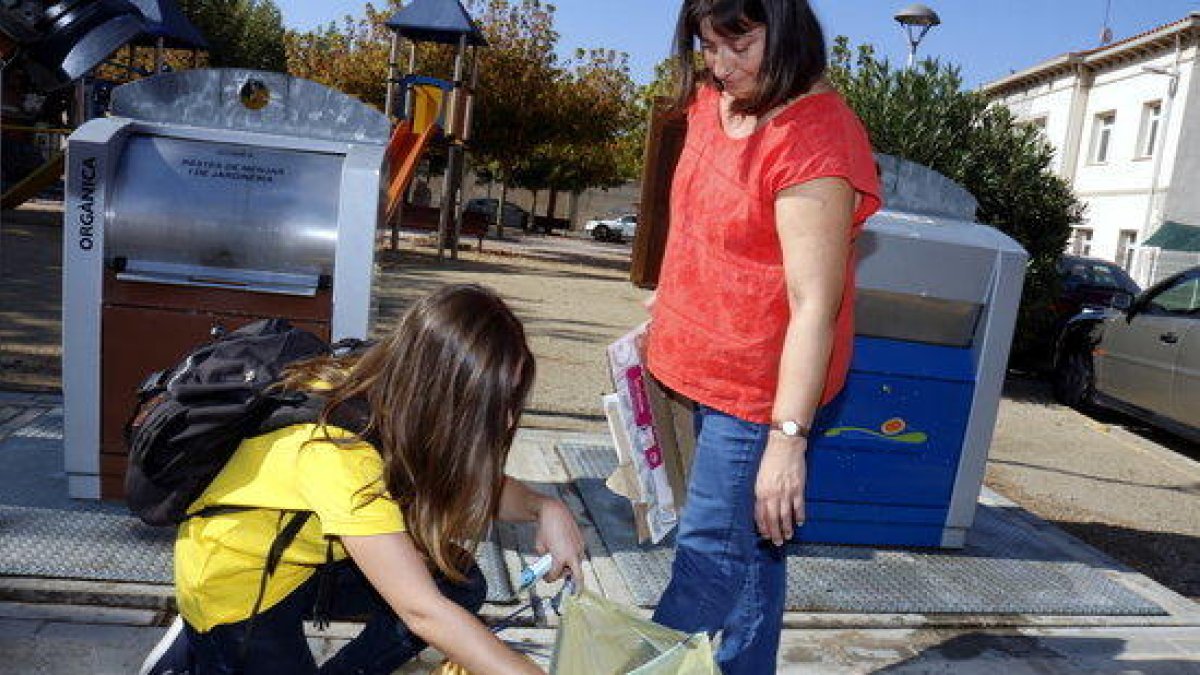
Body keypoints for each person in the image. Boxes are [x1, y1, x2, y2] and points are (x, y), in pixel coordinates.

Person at [139, 284, 585, 675]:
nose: (507, 420)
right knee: (435, 604)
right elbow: (421, 612)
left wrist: (546, 509)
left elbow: (467, 481)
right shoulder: (338, 453)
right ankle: (198, 651)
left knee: (460, 582)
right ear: (446, 392)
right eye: (495, 404)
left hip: (303, 559)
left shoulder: (396, 382)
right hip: (235, 589)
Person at [646, 1, 881, 672]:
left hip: (762, 390)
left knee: (708, 562)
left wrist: (787, 438)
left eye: (738, 42)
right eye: (706, 45)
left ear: (784, 25)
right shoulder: (708, 97)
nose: (720, 65)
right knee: (748, 550)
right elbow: (699, 229)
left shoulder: (816, 140)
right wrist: (666, 312)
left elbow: (815, 304)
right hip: (700, 363)